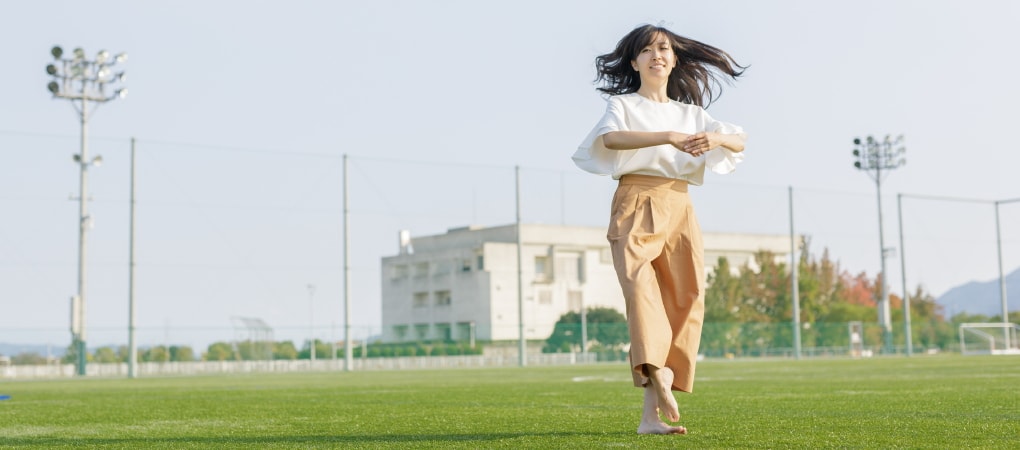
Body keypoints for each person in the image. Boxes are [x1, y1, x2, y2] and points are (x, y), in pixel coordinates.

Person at [572, 24, 747, 435]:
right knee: (642, 295)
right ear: (634, 62)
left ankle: (651, 416)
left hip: (681, 206)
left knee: (685, 299)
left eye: (664, 49)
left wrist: (715, 137)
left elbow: (740, 142)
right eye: (647, 50)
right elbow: (611, 139)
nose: (657, 55)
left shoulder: (692, 113)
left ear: (674, 59)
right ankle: (660, 374)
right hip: (636, 201)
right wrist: (668, 137)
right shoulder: (624, 104)